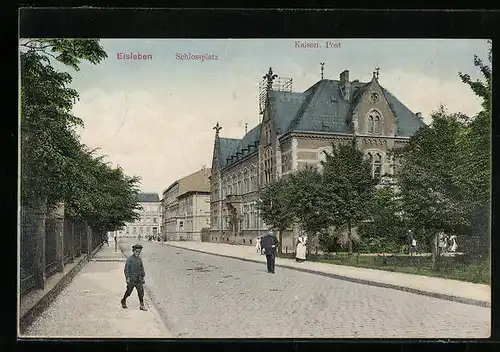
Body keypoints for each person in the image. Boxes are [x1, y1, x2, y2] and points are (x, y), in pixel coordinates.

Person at [121, 244, 148, 311]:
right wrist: (127, 278)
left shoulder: (139, 259)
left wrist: (142, 276)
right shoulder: (130, 259)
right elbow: (126, 269)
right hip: (131, 279)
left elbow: (141, 269)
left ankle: (142, 305)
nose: (138, 253)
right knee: (129, 292)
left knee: (141, 292)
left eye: (139, 252)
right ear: (133, 251)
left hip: (138, 279)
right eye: (136, 251)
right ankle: (123, 300)